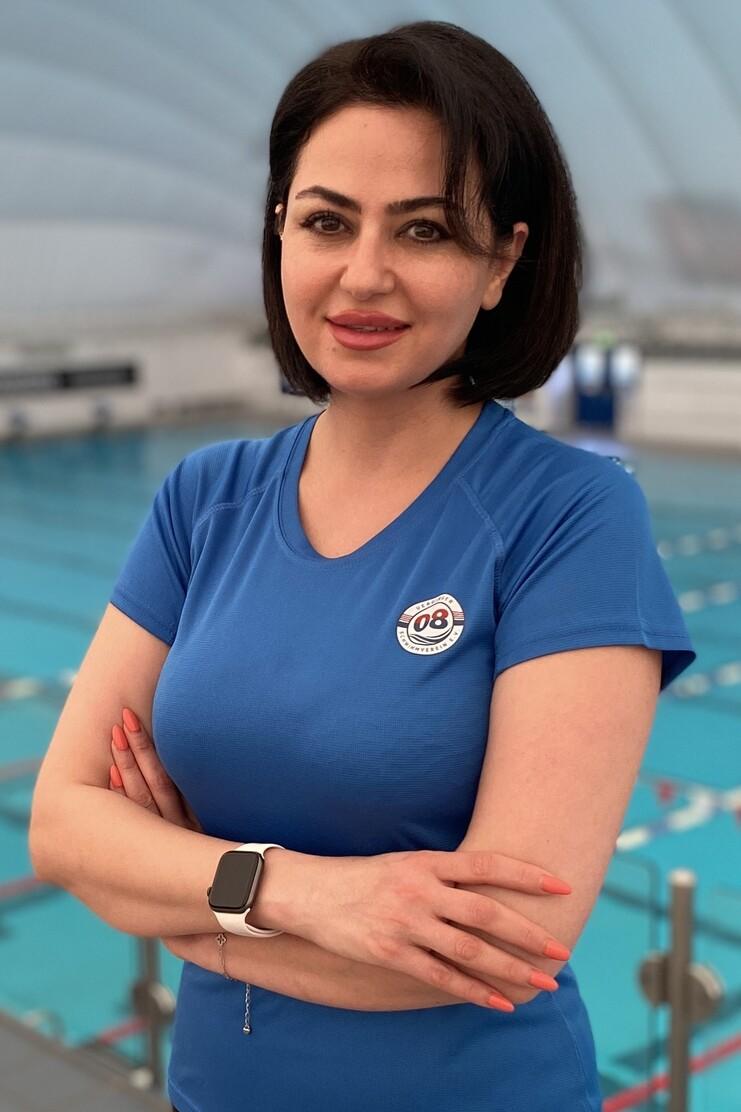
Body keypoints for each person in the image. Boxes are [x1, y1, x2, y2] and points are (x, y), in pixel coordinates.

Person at [30, 20, 696, 1112]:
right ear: (279, 232)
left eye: (424, 229)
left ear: (502, 262)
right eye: (327, 221)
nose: (364, 274)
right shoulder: (204, 499)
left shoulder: (571, 515)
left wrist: (188, 904)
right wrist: (302, 892)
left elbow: (505, 943)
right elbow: (62, 823)